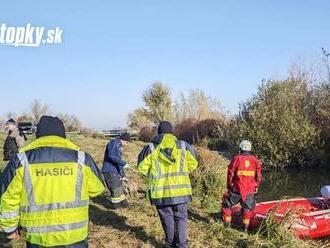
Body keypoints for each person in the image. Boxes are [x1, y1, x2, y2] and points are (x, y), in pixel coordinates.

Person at [0, 115, 104, 247]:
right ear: (62, 135)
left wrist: (9, 228)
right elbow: (97, 188)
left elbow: (8, 197)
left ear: (39, 135)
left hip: (37, 237)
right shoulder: (81, 158)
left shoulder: (22, 160)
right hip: (74, 235)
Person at [137, 121, 198, 248]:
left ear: (159, 132)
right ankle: (181, 244)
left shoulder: (151, 148)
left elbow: (141, 168)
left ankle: (170, 243)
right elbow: (193, 163)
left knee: (167, 218)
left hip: (160, 193)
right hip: (181, 192)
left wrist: (152, 175)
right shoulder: (183, 146)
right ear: (172, 132)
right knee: (181, 218)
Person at [221, 140, 262, 232]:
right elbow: (258, 176)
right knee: (247, 209)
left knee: (226, 205)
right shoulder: (255, 160)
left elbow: (230, 174)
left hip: (236, 188)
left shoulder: (236, 158)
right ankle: (245, 230)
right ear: (250, 149)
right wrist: (256, 187)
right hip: (249, 190)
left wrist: (229, 186)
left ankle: (226, 227)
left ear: (240, 148)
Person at [102, 133, 131, 209]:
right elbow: (111, 156)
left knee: (119, 187)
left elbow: (118, 162)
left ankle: (123, 204)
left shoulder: (118, 145)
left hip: (114, 170)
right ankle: (115, 206)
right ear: (124, 140)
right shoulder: (113, 143)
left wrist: (123, 175)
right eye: (127, 142)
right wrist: (123, 163)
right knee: (115, 188)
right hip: (109, 170)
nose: (127, 145)